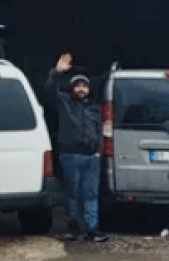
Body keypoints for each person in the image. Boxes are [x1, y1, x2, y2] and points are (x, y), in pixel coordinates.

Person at [45, 53, 106, 242]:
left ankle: (92, 230)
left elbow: (100, 131)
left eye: (84, 86)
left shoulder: (95, 108)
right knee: (71, 194)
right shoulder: (64, 102)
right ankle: (71, 228)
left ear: (89, 89)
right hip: (70, 155)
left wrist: (98, 152)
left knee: (91, 195)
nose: (81, 89)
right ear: (72, 88)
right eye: (77, 86)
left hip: (91, 157)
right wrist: (56, 73)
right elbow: (49, 92)